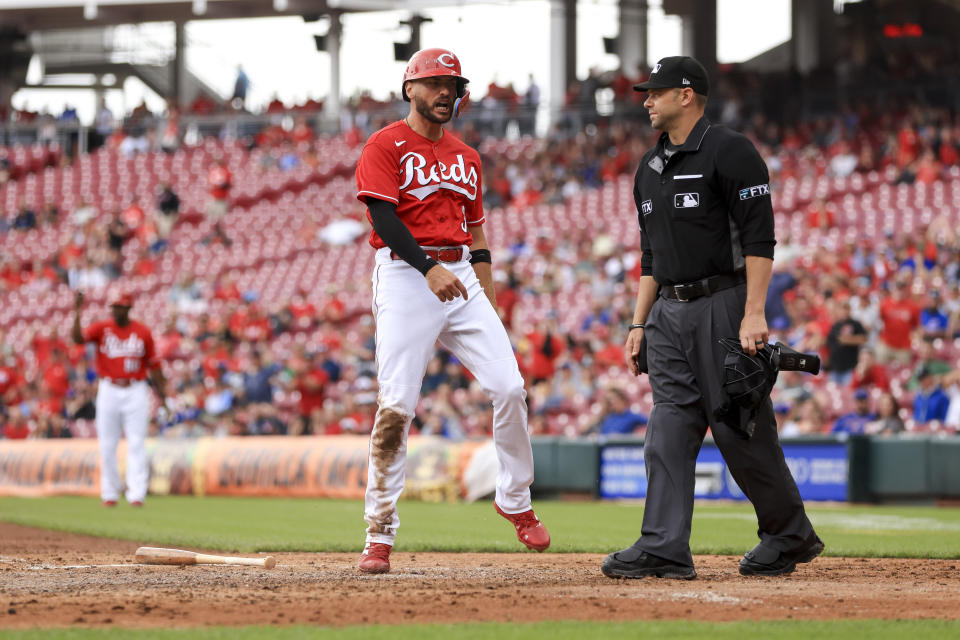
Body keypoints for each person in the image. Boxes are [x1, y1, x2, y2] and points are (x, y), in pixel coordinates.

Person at [602, 56, 822, 581]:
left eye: (655, 92)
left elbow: (759, 238)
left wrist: (753, 312)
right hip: (667, 314)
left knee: (737, 427)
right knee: (668, 428)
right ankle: (663, 546)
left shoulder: (730, 150)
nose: (646, 100)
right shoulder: (648, 168)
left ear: (686, 95)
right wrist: (638, 324)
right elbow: (650, 257)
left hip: (723, 302)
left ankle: (788, 533)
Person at [353, 48, 549, 574]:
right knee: (397, 404)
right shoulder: (385, 143)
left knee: (509, 387)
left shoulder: (467, 155)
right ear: (410, 88)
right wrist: (426, 268)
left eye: (453, 84)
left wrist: (482, 288)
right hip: (404, 273)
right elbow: (382, 216)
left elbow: (477, 228)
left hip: (460, 272)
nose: (446, 92)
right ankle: (380, 532)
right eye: (436, 82)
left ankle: (514, 499)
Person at [72, 291, 168, 507]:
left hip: (136, 388)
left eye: (121, 306)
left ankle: (136, 493)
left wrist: (163, 397)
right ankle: (110, 492)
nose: (117, 310)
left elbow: (155, 366)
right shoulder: (102, 328)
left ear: (129, 308)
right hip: (108, 387)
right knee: (107, 444)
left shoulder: (142, 331)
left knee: (136, 442)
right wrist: (77, 311)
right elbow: (78, 339)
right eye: (114, 306)